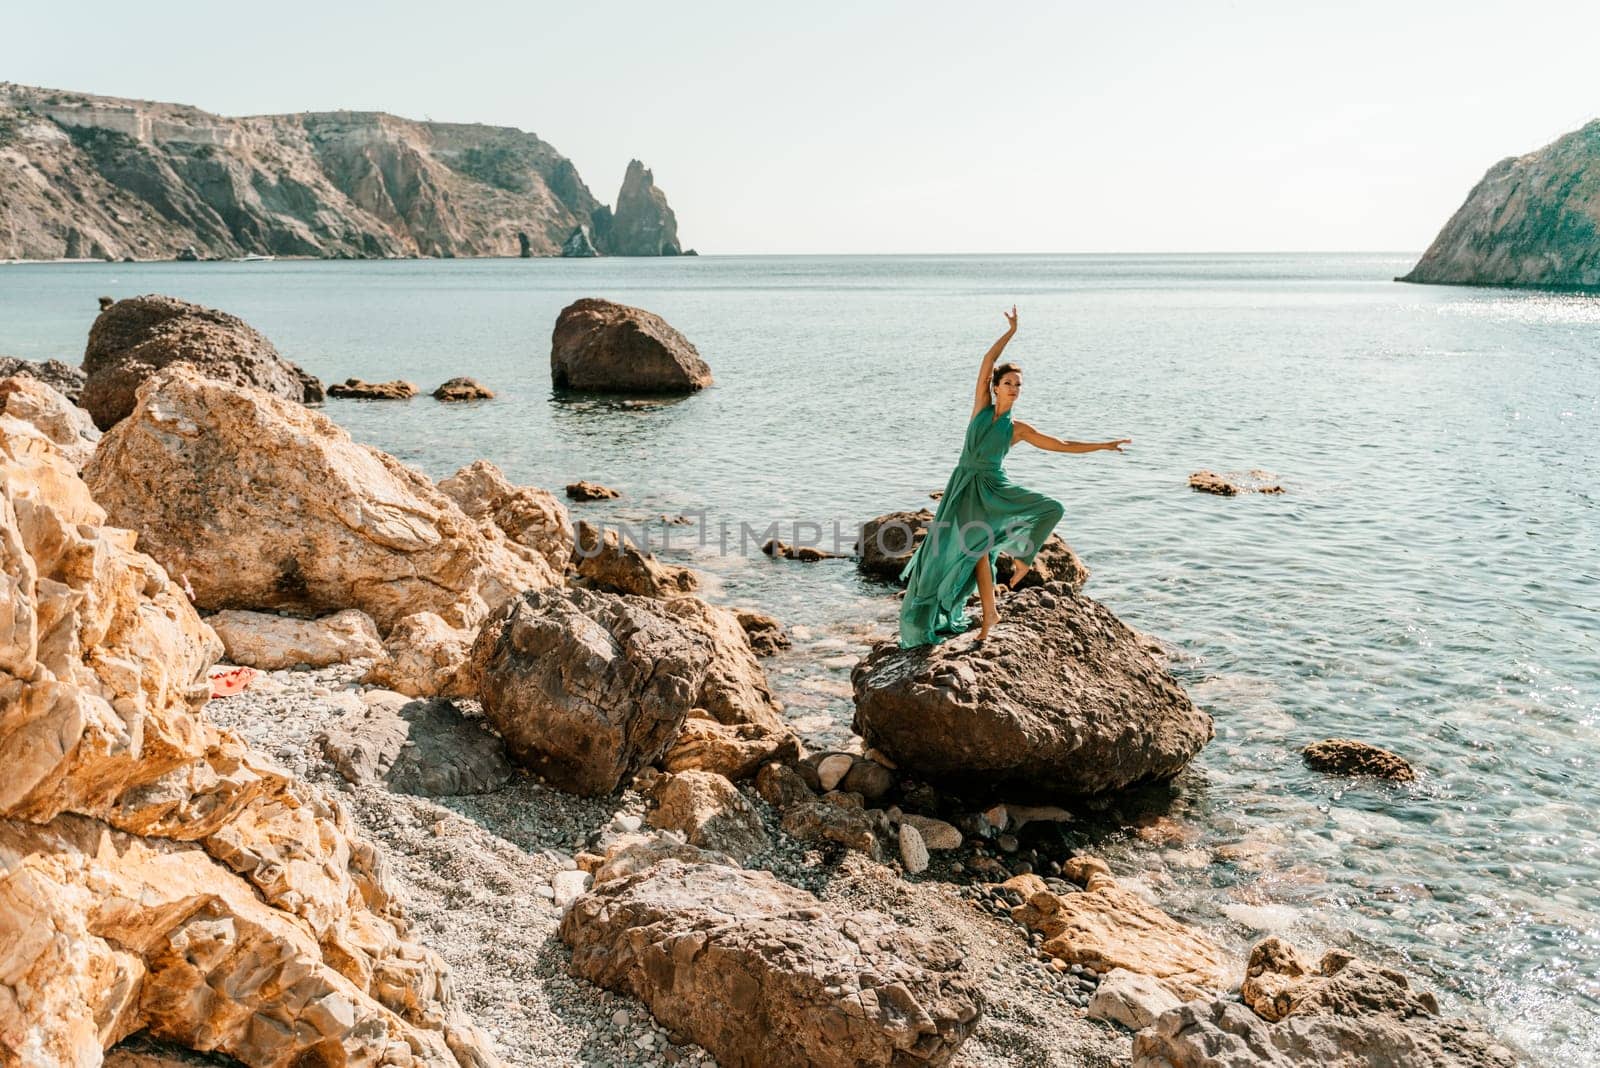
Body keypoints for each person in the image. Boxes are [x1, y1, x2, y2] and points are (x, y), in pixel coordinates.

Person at [897, 306, 1130, 646]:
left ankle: (1022, 557)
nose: (1014, 388)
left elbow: (1061, 444)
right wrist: (1011, 333)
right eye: (1008, 383)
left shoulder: (1017, 429)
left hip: (993, 488)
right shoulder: (980, 408)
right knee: (964, 549)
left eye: (1018, 385)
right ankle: (989, 613)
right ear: (995, 387)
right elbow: (986, 361)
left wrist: (1103, 445)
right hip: (963, 488)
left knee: (1051, 508)